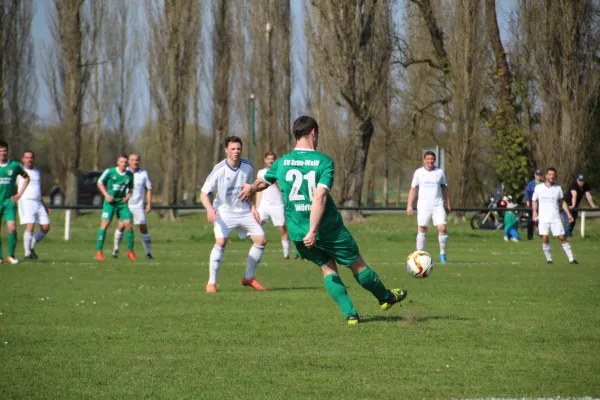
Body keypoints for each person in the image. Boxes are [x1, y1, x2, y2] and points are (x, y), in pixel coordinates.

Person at [238, 116, 407, 325]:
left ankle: (351, 314)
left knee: (327, 268)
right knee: (357, 264)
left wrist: (251, 187)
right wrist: (314, 230)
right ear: (313, 133)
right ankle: (385, 297)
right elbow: (319, 197)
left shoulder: (282, 162)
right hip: (327, 229)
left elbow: (264, 180)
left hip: (298, 233)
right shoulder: (323, 162)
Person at [200, 136, 267, 293]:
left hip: (243, 210)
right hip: (223, 211)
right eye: (233, 149)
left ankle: (249, 277)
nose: (236, 151)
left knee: (261, 240)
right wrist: (210, 209)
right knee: (221, 241)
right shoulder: (219, 169)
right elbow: (203, 194)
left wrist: (253, 207)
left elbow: (249, 190)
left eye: (238, 149)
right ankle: (211, 283)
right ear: (226, 150)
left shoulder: (248, 166)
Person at [406, 151, 451, 264]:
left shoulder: (440, 172)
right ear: (424, 160)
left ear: (434, 160)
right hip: (423, 206)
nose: (430, 161)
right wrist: (409, 205)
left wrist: (448, 204)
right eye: (428, 159)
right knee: (422, 229)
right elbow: (413, 189)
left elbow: (445, 189)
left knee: (442, 228)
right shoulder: (418, 173)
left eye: (432, 159)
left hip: (438, 205)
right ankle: (419, 255)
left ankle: (442, 254)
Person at [532, 168, 577, 264]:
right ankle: (549, 259)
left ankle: (571, 259)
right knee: (545, 237)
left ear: (555, 176)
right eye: (550, 174)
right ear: (546, 176)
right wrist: (534, 212)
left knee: (561, 237)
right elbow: (534, 200)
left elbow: (563, 202)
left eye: (553, 174)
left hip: (555, 217)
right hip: (543, 217)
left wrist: (569, 214)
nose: (551, 176)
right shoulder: (539, 188)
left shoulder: (558, 188)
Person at [95, 155, 136, 261]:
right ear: (118, 162)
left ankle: (130, 251)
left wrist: (127, 197)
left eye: (125, 162)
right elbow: (99, 183)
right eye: (121, 162)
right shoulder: (110, 171)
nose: (124, 164)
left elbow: (131, 188)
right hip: (110, 203)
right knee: (105, 225)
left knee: (128, 224)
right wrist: (106, 195)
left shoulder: (130, 175)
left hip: (121, 203)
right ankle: (99, 251)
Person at [113, 153, 153, 259]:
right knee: (122, 226)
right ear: (128, 161)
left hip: (139, 206)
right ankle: (116, 250)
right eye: (132, 160)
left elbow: (148, 188)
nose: (135, 162)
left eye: (137, 160)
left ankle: (148, 252)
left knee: (143, 228)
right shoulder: (123, 173)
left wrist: (149, 203)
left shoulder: (143, 173)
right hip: (125, 205)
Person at [256, 152, 291, 259]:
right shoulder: (261, 172)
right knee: (256, 226)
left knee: (282, 229)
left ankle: (286, 254)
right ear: (265, 160)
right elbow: (258, 190)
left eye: (273, 159)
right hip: (264, 204)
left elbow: (283, 188)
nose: (270, 161)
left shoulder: (281, 172)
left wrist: (275, 181)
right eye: (268, 159)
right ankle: (256, 250)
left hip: (277, 204)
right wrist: (257, 205)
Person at [17, 150, 50, 260]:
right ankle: (27, 253)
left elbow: (38, 189)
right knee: (30, 226)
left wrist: (44, 205)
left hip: (38, 201)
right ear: (22, 159)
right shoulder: (19, 171)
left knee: (46, 226)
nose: (29, 159)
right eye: (27, 157)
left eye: (31, 157)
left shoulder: (36, 172)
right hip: (26, 201)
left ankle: (31, 246)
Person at [0, 141, 29, 264]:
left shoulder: (14, 165)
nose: (3, 153)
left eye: (4, 150)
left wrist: (19, 194)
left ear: (8, 151)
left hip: (9, 203)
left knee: (12, 228)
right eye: (0, 151)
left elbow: (26, 177)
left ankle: (11, 255)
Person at [524, 169, 543, 240]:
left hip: (541, 205)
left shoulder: (543, 184)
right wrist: (527, 201)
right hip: (532, 205)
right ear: (535, 175)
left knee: (541, 221)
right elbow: (527, 193)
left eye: (540, 175)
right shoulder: (530, 184)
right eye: (537, 175)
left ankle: (541, 235)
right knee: (530, 221)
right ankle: (530, 236)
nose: (538, 176)